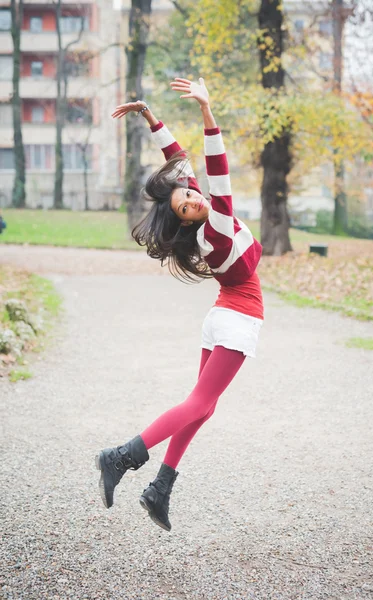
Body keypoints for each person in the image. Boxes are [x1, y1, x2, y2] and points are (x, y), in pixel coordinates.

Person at [95, 77, 264, 532]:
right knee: (198, 404)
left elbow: (178, 161)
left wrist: (152, 117)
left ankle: (160, 487)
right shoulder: (218, 226)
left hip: (223, 315)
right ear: (189, 223)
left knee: (202, 406)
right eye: (188, 203)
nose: (194, 197)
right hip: (238, 317)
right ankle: (122, 456)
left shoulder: (203, 220)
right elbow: (215, 164)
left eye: (190, 195)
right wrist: (208, 112)